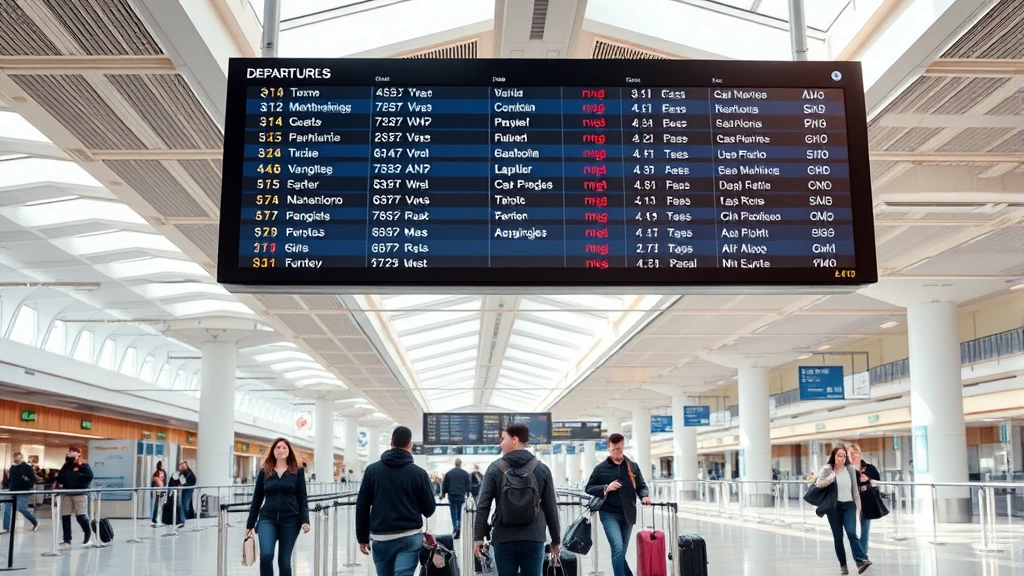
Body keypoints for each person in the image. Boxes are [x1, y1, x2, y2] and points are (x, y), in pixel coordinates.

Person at [474, 423, 561, 576]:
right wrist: (556, 540)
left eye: (503, 439)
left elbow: (483, 505)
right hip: (533, 535)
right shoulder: (541, 469)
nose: (500, 443)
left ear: (514, 440)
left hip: (503, 536)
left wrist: (478, 537)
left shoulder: (494, 468)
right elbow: (550, 507)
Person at [356, 426, 436, 576]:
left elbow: (362, 506)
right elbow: (429, 509)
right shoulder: (419, 473)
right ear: (410, 445)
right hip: (409, 537)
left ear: (391, 443)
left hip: (381, 538)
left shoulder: (372, 471)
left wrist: (362, 537)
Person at [584, 433, 651, 576]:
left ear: (623, 446)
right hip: (609, 514)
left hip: (628, 515)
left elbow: (642, 486)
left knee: (620, 552)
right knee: (618, 548)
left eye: (619, 449)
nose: (616, 452)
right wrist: (606, 487)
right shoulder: (600, 468)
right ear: (609, 448)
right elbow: (588, 488)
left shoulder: (632, 466)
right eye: (613, 450)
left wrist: (644, 496)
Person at [246, 438, 311, 576]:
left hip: (291, 520)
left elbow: (302, 497)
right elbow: (257, 498)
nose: (280, 450)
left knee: (284, 561)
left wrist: (305, 520)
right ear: (273, 451)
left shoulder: (297, 471)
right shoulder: (265, 472)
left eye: (284, 448)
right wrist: (250, 523)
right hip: (267, 519)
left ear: (289, 451)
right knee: (266, 556)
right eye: (277, 447)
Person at [816, 447, 870, 574]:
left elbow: (855, 491)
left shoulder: (850, 469)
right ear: (834, 456)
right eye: (840, 455)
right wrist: (829, 479)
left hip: (849, 506)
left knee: (851, 532)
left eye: (844, 456)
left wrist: (859, 507)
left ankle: (861, 560)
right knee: (838, 537)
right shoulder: (827, 469)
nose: (842, 458)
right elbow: (818, 484)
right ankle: (843, 565)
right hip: (833, 508)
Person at [847, 444, 883, 558]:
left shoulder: (869, 468)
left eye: (856, 452)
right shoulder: (845, 470)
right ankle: (858, 549)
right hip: (850, 499)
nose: (853, 455)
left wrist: (869, 479)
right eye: (851, 453)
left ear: (860, 453)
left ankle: (863, 552)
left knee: (864, 526)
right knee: (850, 528)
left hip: (866, 498)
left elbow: (878, 481)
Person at [54, 445, 93, 545]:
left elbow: (89, 476)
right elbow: (61, 477)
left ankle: (88, 531)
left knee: (80, 516)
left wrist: (76, 475)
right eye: (70, 451)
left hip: (80, 493)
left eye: (73, 451)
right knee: (65, 516)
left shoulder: (83, 465)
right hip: (67, 493)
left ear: (78, 453)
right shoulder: (66, 465)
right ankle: (67, 539)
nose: (70, 453)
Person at [2, 452, 38, 532]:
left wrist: (26, 482)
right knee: (7, 507)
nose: (16, 460)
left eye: (18, 458)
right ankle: (6, 527)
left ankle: (35, 521)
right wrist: (6, 485)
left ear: (21, 458)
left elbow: (33, 479)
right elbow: (11, 479)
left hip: (23, 491)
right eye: (14, 458)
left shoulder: (27, 468)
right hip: (12, 490)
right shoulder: (12, 468)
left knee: (22, 508)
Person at [441, 458, 473, 538]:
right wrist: (468, 492)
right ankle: (459, 526)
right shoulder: (465, 473)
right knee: (460, 511)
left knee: (453, 512)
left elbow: (445, 484)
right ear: (460, 464)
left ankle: (455, 528)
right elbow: (468, 484)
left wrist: (443, 494)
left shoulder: (449, 473)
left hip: (451, 495)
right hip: (461, 495)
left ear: (455, 464)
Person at [168, 461, 197, 527]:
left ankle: (182, 519)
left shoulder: (189, 474)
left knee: (184, 505)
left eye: (183, 467)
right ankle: (181, 519)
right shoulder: (181, 473)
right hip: (182, 490)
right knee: (181, 505)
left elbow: (191, 482)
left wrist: (183, 485)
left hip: (186, 490)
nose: (182, 468)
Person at [150, 461, 166, 527]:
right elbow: (164, 482)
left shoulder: (156, 473)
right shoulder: (162, 473)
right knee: (161, 504)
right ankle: (159, 518)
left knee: (157, 504)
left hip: (158, 490)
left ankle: (155, 518)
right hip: (161, 490)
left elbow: (153, 482)